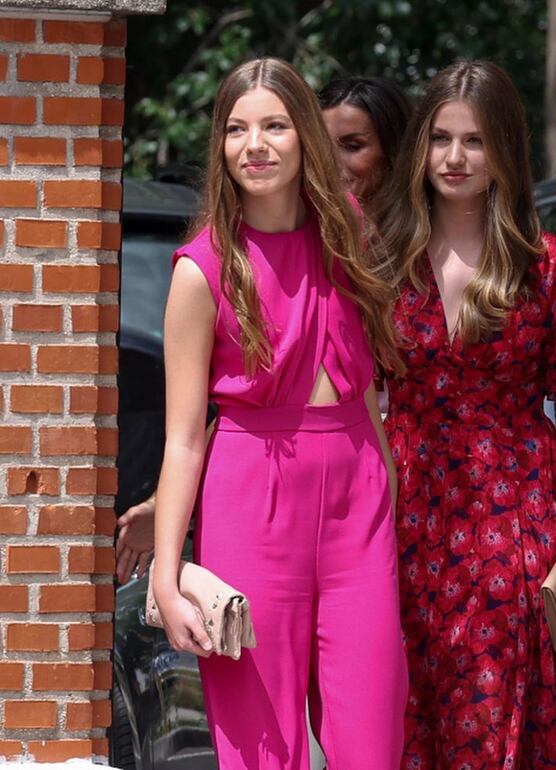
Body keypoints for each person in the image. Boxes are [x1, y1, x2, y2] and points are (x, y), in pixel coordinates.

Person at [150, 57, 407, 770]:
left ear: (305, 140)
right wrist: (167, 578)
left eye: (273, 125)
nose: (253, 145)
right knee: (265, 748)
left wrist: (387, 488)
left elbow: (368, 401)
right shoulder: (201, 272)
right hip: (251, 498)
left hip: (358, 497)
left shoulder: (348, 235)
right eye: (236, 129)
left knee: (372, 737)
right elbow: (180, 439)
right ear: (220, 147)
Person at [377, 60, 556, 769]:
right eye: (440, 138)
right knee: (409, 704)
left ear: (503, 148)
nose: (453, 158)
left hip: (518, 515)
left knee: (503, 704)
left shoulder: (550, 267)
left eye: (473, 141)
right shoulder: (383, 261)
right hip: (407, 510)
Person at [115, 74, 412, 584]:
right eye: (237, 129)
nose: (338, 162)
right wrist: (166, 521)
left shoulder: (365, 246)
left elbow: (354, 392)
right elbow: (248, 408)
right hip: (264, 497)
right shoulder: (212, 266)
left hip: (385, 495)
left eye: (355, 145)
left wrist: (387, 496)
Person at [319, 76, 412, 209]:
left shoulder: (432, 226)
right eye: (320, 146)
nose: (331, 161)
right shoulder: (291, 222)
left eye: (352, 147)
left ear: (394, 149)